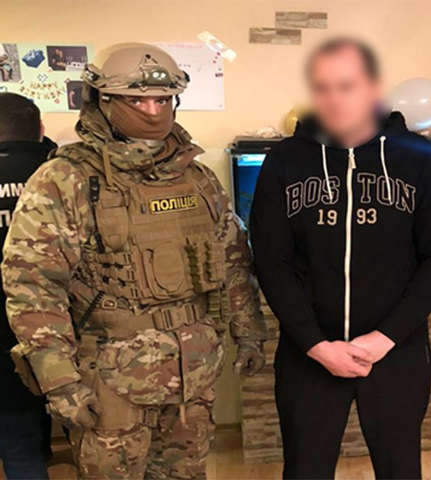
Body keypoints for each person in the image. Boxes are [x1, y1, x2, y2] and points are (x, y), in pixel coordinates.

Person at [1, 43, 267, 479]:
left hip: (192, 375)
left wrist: (249, 332)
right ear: (103, 101)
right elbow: (33, 285)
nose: (152, 111)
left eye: (163, 99)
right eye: (137, 100)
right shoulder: (66, 179)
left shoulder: (196, 178)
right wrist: (59, 379)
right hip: (110, 383)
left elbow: (232, 259)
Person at [251, 37, 431, 479]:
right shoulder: (285, 160)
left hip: (396, 352)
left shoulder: (419, 158)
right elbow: (270, 260)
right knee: (305, 469)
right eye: (323, 87)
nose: (335, 98)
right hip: (309, 353)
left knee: (400, 468)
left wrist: (386, 337)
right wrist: (314, 343)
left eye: (347, 85)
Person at [0, 93, 54, 480]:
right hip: (56, 333)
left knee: (17, 442)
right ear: (40, 129)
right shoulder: (62, 176)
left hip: (4, 337)